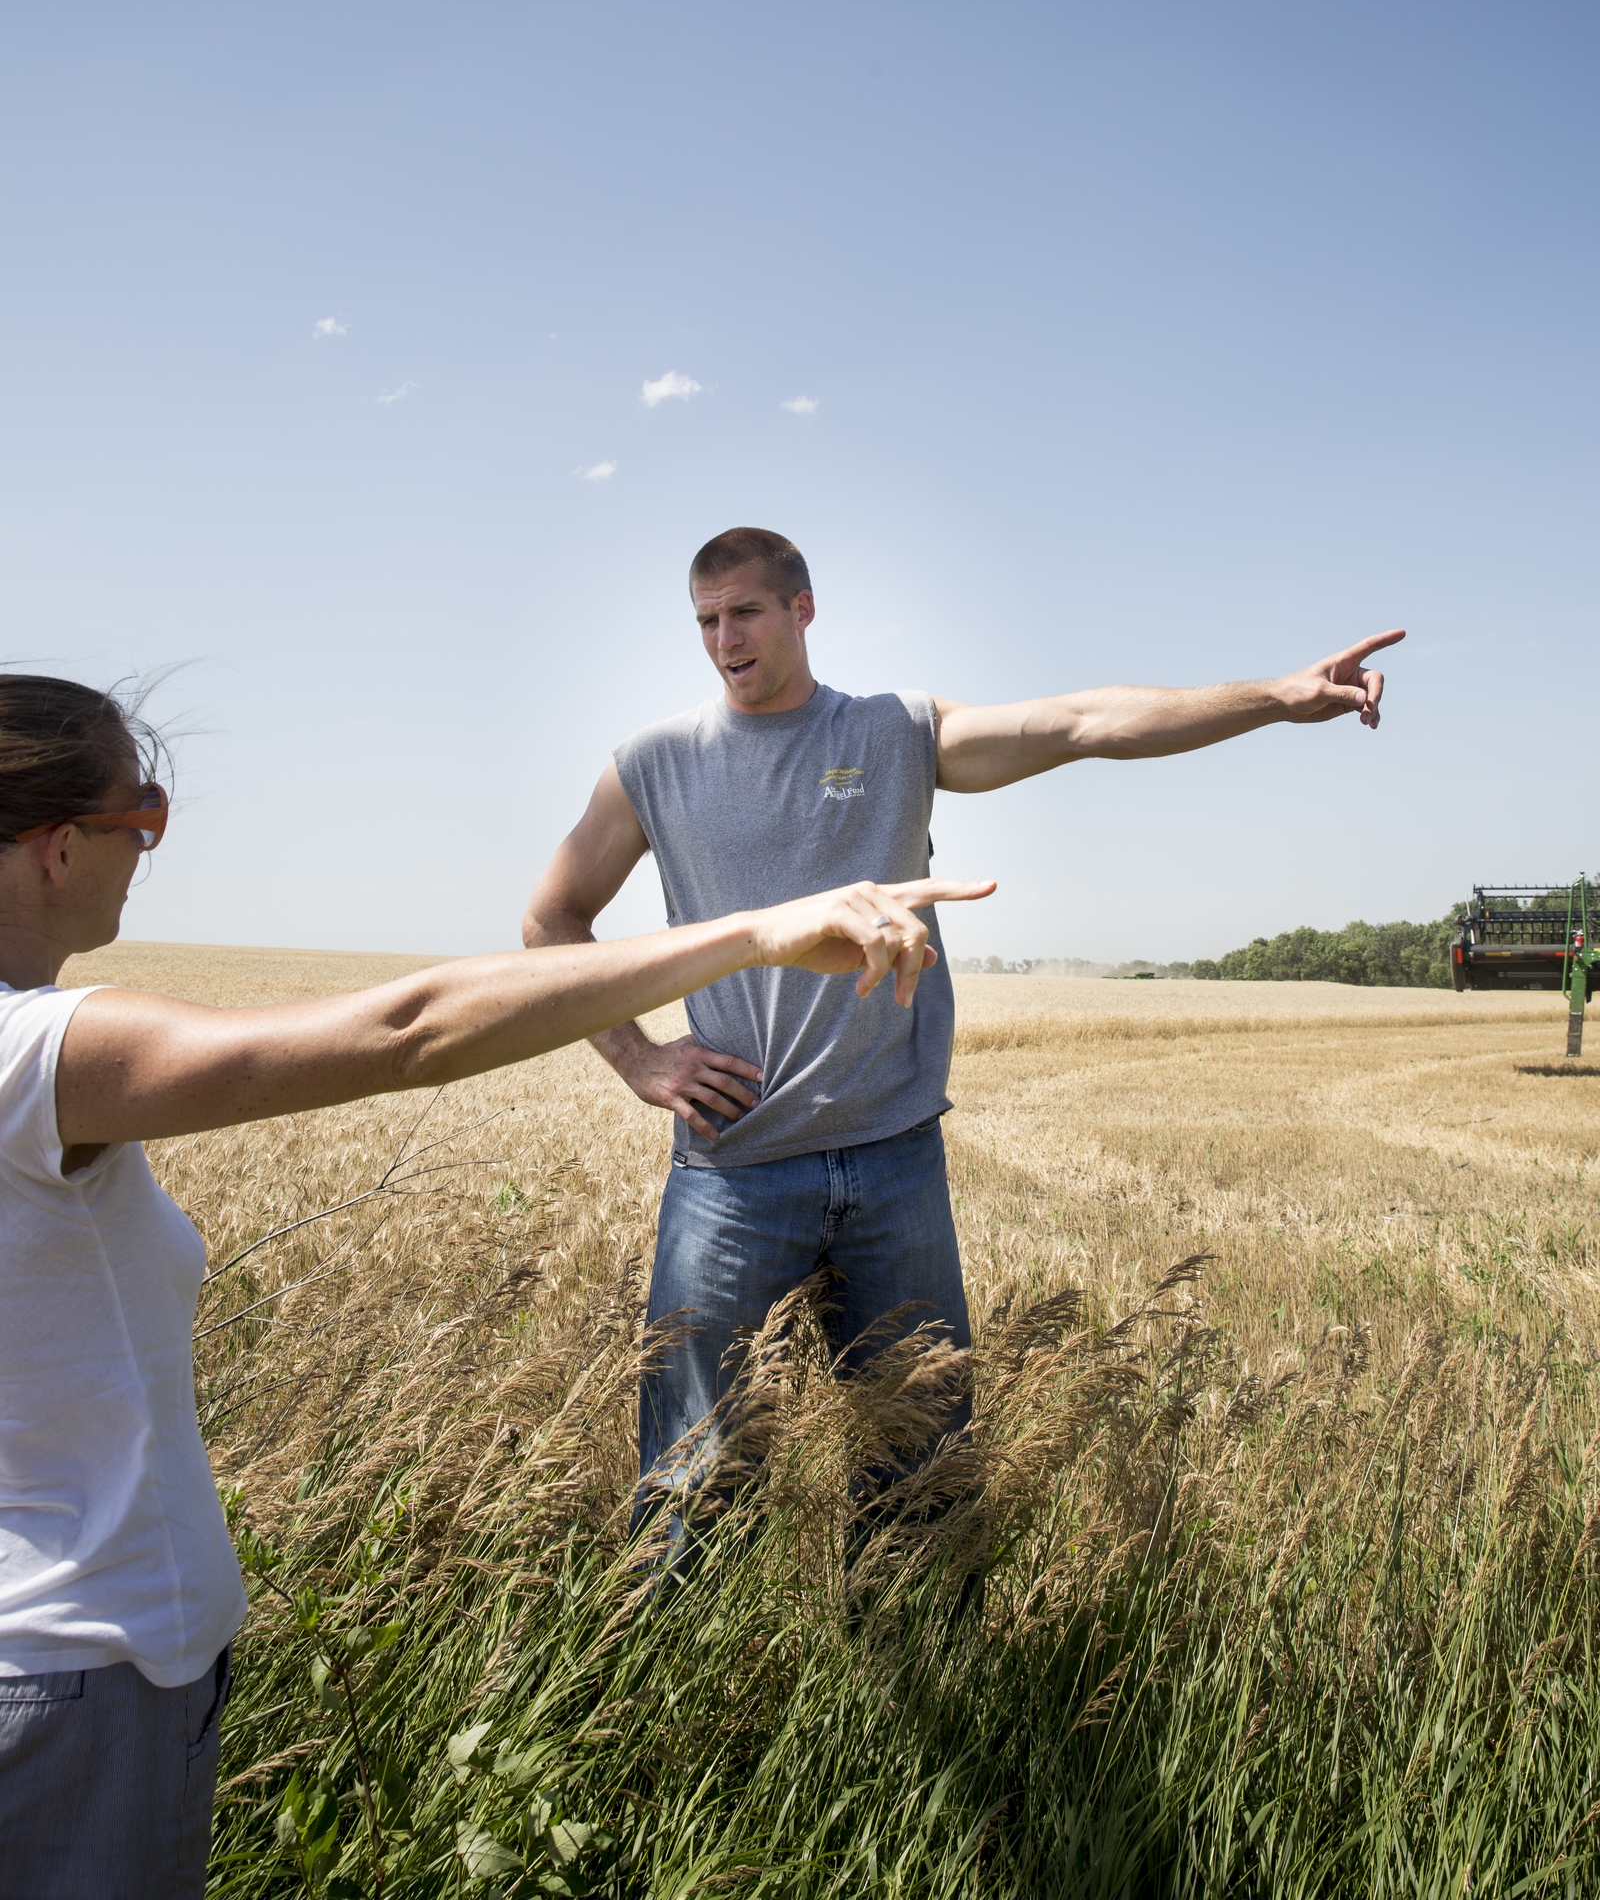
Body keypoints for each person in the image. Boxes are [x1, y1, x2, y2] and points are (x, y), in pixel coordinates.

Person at [0, 673, 989, 1900]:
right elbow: (411, 1029)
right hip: (72, 1674)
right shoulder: (33, 1056)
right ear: (55, 848)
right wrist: (760, 931)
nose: (150, 847)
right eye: (141, 815)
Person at [522, 526, 1403, 1532]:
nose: (725, 636)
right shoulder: (651, 766)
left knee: (921, 1472)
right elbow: (551, 919)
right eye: (707, 619)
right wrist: (640, 1057)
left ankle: (915, 1673)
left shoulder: (894, 733)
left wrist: (1281, 697)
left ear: (802, 609)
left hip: (893, 1167)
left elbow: (1084, 721)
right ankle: (668, 1669)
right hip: (732, 1175)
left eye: (745, 612)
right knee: (695, 1482)